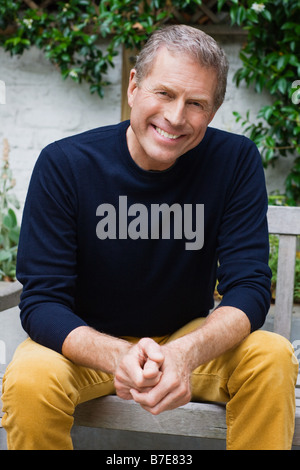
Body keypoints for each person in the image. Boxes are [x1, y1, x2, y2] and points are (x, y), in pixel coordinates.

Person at [1, 25, 298, 450]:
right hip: (88, 346)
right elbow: (43, 300)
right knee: (29, 380)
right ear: (134, 87)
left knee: (271, 357)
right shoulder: (66, 165)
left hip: (188, 341)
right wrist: (117, 356)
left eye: (195, 103)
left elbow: (248, 287)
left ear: (212, 112)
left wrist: (185, 353)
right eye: (164, 93)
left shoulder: (234, 161)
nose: (176, 117)